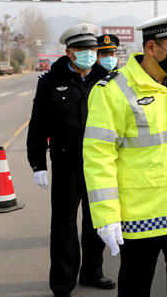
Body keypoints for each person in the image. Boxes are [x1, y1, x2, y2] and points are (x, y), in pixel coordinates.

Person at [82, 10, 167, 297]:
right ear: (151, 47)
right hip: (140, 216)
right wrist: (106, 216)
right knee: (135, 287)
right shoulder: (113, 91)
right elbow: (98, 156)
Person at [26, 23, 114, 297]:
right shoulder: (50, 81)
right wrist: (38, 163)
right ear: (69, 51)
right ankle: (63, 282)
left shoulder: (108, 79)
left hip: (100, 164)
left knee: (96, 221)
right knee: (64, 226)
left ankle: (92, 272)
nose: (89, 53)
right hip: (66, 164)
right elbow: (38, 125)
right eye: (82, 49)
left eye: (92, 48)